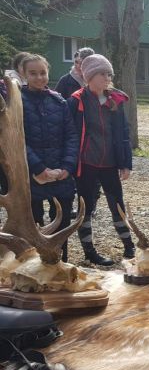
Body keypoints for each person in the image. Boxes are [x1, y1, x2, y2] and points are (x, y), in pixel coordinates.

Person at [67, 54, 135, 265]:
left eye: (109, 74)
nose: (107, 78)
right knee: (85, 207)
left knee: (117, 204)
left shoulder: (115, 100)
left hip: (110, 163)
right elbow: (70, 133)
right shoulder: (76, 100)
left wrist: (125, 163)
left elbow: (124, 134)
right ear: (89, 77)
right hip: (86, 164)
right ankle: (89, 251)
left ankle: (129, 246)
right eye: (102, 74)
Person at [20, 55, 78, 262]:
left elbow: (71, 135)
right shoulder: (17, 102)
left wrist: (68, 166)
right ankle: (35, 262)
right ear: (23, 74)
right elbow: (18, 138)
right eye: (33, 73)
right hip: (32, 173)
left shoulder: (58, 101)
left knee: (61, 222)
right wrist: (37, 167)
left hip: (60, 173)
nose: (38, 78)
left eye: (42, 73)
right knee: (34, 221)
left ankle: (60, 260)